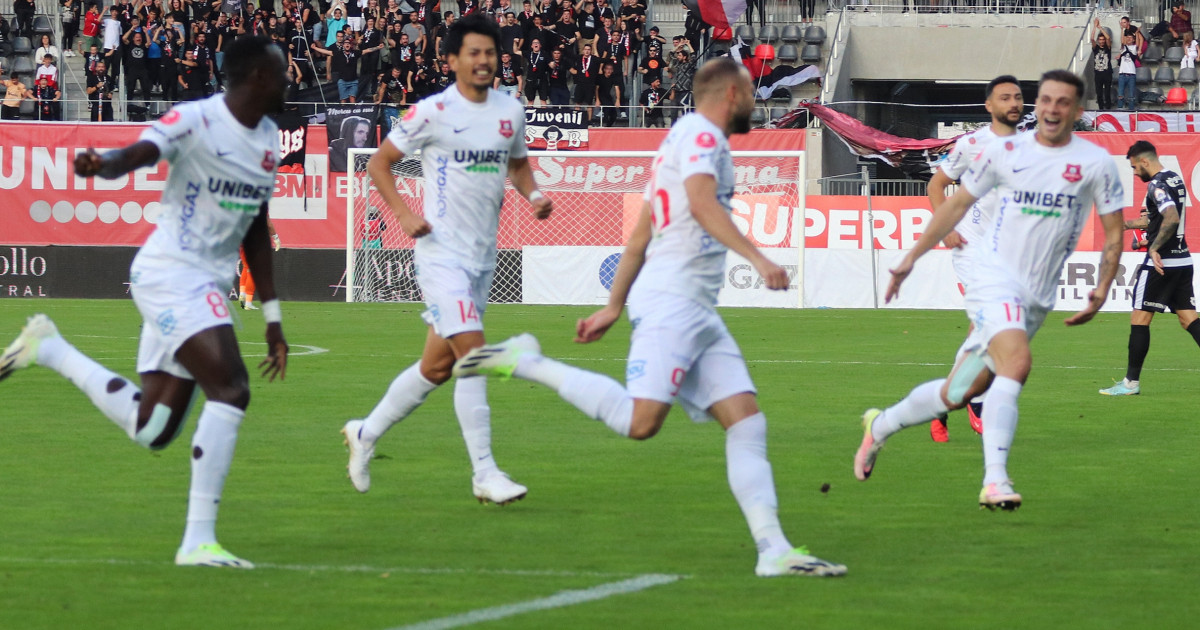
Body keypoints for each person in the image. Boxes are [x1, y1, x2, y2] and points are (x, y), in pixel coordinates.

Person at [453, 57, 846, 578]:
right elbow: (703, 206)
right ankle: (529, 362)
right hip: (673, 303)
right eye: (752, 92)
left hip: (694, 309)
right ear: (731, 94)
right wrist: (759, 257)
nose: (757, 100)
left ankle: (773, 549)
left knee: (747, 421)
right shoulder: (703, 140)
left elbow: (640, 233)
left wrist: (614, 305)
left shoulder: (680, 141)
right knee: (641, 424)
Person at [1, 36, 290, 569]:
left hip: (207, 282)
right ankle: (198, 541)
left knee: (154, 429)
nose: (289, 80)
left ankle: (50, 349)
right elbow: (141, 152)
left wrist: (273, 319)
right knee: (231, 388)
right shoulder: (196, 120)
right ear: (256, 78)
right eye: (281, 72)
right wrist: (104, 165)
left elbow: (255, 226)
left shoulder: (270, 138)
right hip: (172, 275)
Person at [854, 70, 1126, 511]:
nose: (1052, 109)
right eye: (1047, 100)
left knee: (958, 392)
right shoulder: (1002, 152)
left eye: (1063, 103)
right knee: (1015, 363)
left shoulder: (1094, 164)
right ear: (1040, 108)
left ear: (1077, 111)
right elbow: (954, 202)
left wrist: (1102, 286)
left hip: (1037, 294)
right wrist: (911, 257)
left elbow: (1113, 232)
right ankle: (995, 480)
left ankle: (879, 427)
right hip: (992, 276)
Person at [341, 13, 553, 505]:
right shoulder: (431, 111)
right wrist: (403, 213)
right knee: (473, 357)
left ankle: (365, 433)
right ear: (452, 59)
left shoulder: (510, 111)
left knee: (436, 368)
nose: (483, 61)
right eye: (473, 53)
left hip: (482, 259)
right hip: (441, 257)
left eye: (490, 52)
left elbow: (518, 165)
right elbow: (379, 163)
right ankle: (485, 473)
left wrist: (534, 194)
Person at [923, 75, 1024, 443]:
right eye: (1004, 97)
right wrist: (943, 227)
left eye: (1018, 97)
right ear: (989, 106)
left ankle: (943, 402)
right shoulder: (970, 144)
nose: (1013, 103)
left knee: (987, 334)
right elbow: (935, 186)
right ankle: (975, 400)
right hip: (971, 249)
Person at [1099, 141, 1199, 396]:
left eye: (1134, 167)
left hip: (1161, 264)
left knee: (1140, 319)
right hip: (1182, 261)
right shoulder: (1174, 178)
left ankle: (1131, 383)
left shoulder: (1156, 184)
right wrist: (1126, 225)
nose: (1134, 173)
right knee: (1189, 319)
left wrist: (1153, 247)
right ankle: (1130, 383)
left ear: (1144, 161)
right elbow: (1158, 216)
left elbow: (1172, 217)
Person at [1092, 20, 1114, 111]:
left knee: (1107, 92)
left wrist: (1100, 28)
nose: (1101, 41)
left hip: (1107, 73)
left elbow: (1108, 38)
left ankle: (1108, 108)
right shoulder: (1095, 48)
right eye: (1100, 40)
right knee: (1099, 93)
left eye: (1102, 40)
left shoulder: (1107, 48)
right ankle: (1101, 109)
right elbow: (1091, 39)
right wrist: (1094, 26)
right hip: (1098, 73)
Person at [1116, 33, 1138, 111]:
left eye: (1130, 38)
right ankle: (1120, 109)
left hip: (1131, 74)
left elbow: (1138, 43)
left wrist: (1137, 33)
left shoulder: (1134, 47)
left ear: (1133, 39)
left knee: (1131, 95)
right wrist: (1122, 30)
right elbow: (1122, 41)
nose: (1128, 39)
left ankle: (1131, 110)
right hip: (1122, 74)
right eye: (1127, 37)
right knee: (1120, 94)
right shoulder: (1123, 48)